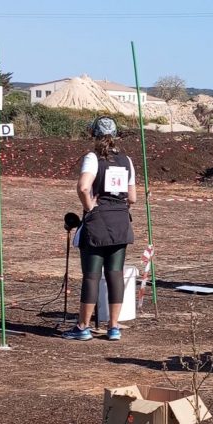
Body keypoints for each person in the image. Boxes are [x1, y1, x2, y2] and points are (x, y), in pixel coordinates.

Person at [66, 116, 136, 341]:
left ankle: (83, 327)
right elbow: (132, 197)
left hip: (98, 223)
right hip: (121, 221)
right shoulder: (126, 160)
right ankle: (113, 327)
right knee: (115, 275)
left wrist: (89, 207)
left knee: (92, 276)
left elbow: (83, 187)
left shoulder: (92, 158)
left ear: (93, 135)